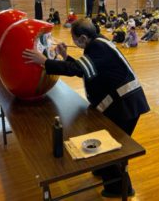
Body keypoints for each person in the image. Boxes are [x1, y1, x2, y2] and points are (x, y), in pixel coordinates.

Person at [22, 19, 150, 198]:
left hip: (126, 106)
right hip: (124, 103)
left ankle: (120, 188)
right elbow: (85, 70)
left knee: (110, 147)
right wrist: (66, 57)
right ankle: (105, 172)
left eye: (74, 39)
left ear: (83, 37)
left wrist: (45, 62)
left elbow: (77, 70)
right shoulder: (98, 44)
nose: (74, 42)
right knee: (107, 144)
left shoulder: (98, 48)